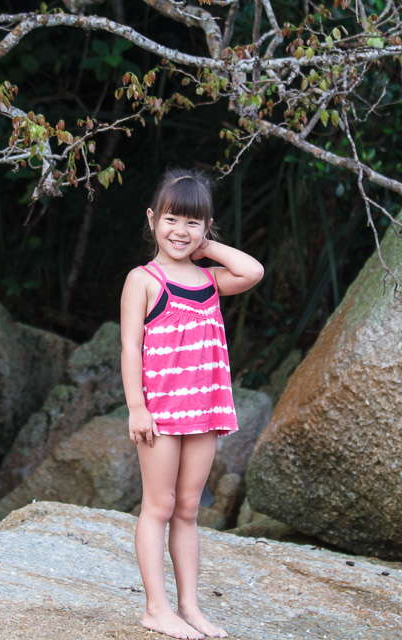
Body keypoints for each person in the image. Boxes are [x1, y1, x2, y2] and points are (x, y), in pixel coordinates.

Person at [120, 168, 264, 640]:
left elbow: (253, 272)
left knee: (187, 509)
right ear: (151, 219)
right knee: (158, 505)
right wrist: (136, 407)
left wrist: (208, 247)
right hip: (160, 414)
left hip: (203, 410)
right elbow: (130, 347)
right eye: (171, 219)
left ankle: (189, 607)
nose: (180, 231)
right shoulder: (144, 280)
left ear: (206, 227)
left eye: (192, 223)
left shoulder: (209, 279)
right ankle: (155, 609)